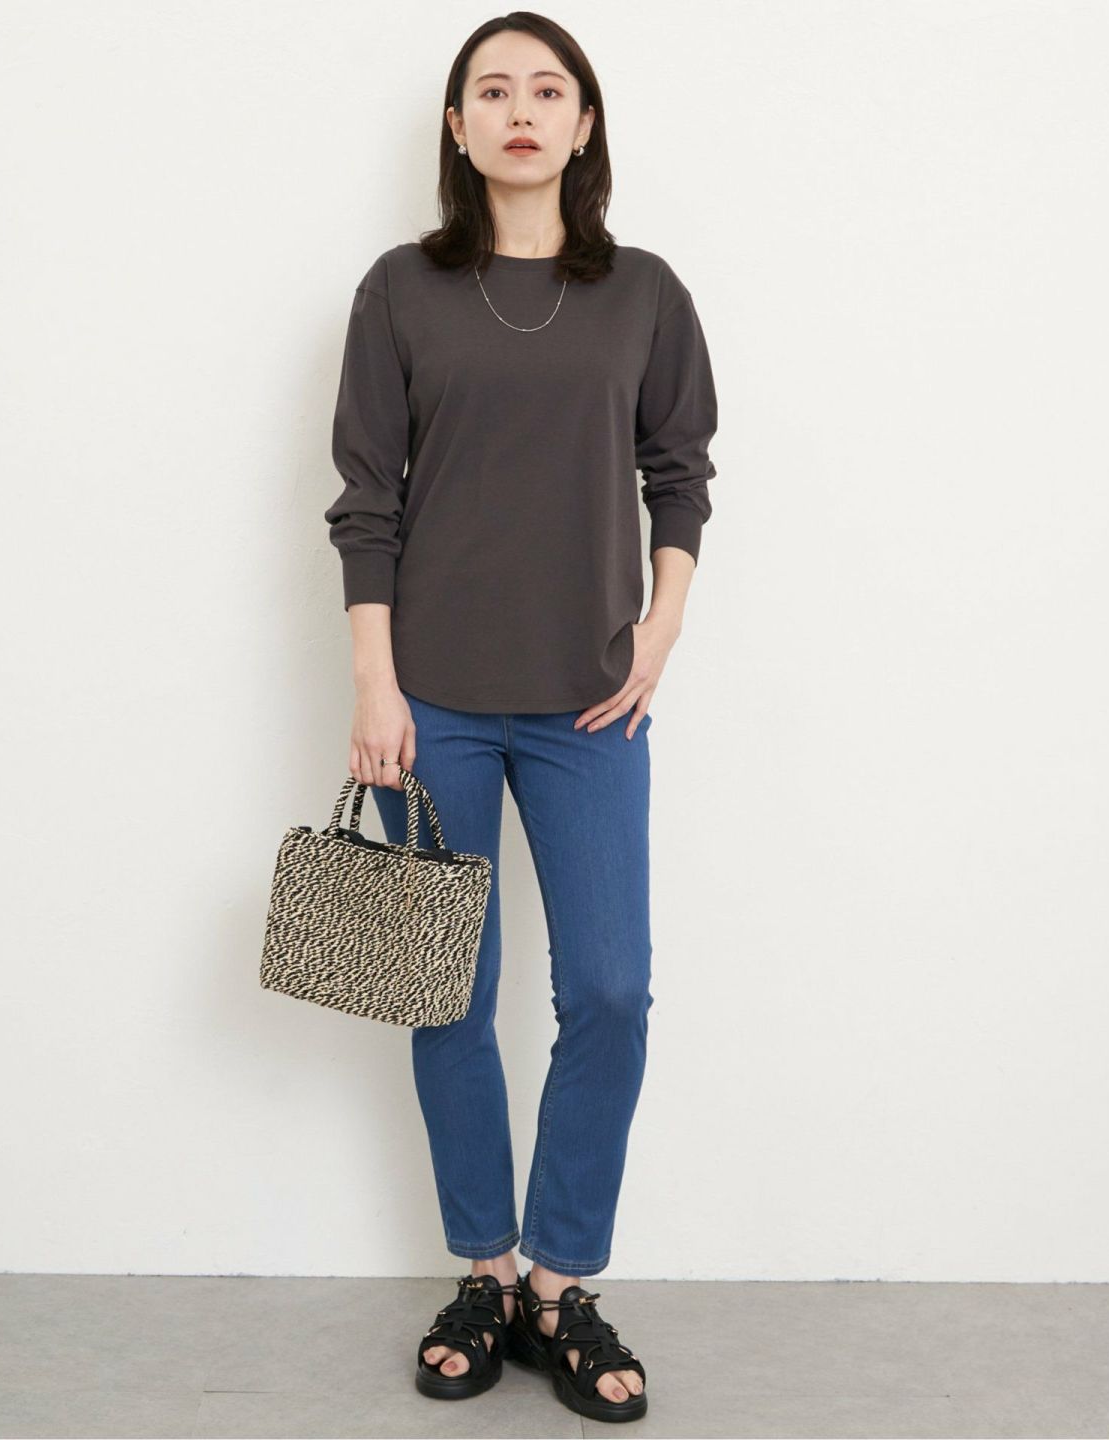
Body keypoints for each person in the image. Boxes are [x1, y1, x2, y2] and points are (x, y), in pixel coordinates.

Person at [323, 13, 718, 1425]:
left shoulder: (646, 293)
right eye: (491, 90)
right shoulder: (400, 291)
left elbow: (681, 471)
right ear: (458, 127)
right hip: (430, 699)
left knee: (608, 990)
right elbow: (365, 501)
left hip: (591, 703)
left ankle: (561, 1279)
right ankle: (485, 1273)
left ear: (584, 122)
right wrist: (375, 685)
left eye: (548, 89)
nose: (521, 110)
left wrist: (662, 624)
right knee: (448, 992)